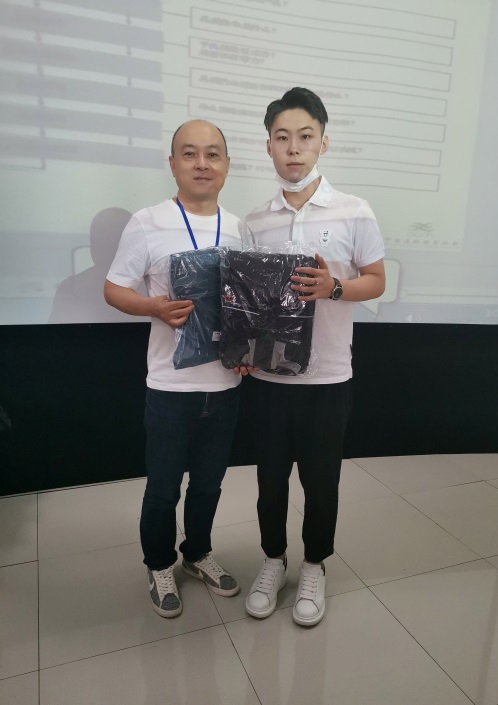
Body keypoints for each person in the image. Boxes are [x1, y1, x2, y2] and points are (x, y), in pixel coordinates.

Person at [241, 87, 386, 627]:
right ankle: (273, 561)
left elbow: (377, 280)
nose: (293, 148)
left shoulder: (354, 211)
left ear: (323, 143)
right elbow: (248, 300)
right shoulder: (254, 221)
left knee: (322, 483)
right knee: (269, 481)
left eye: (305, 136)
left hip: (327, 377)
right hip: (268, 379)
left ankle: (314, 565)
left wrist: (334, 288)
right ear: (269, 146)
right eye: (282, 138)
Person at [104, 120, 242, 618]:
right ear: (173, 164)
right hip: (170, 384)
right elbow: (114, 288)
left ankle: (198, 553)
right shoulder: (148, 222)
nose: (202, 163)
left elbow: (243, 303)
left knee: (209, 483)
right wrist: (154, 308)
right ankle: (159, 564)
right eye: (189, 153)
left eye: (213, 154)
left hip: (225, 383)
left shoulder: (239, 227)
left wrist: (250, 346)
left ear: (226, 164)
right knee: (163, 488)